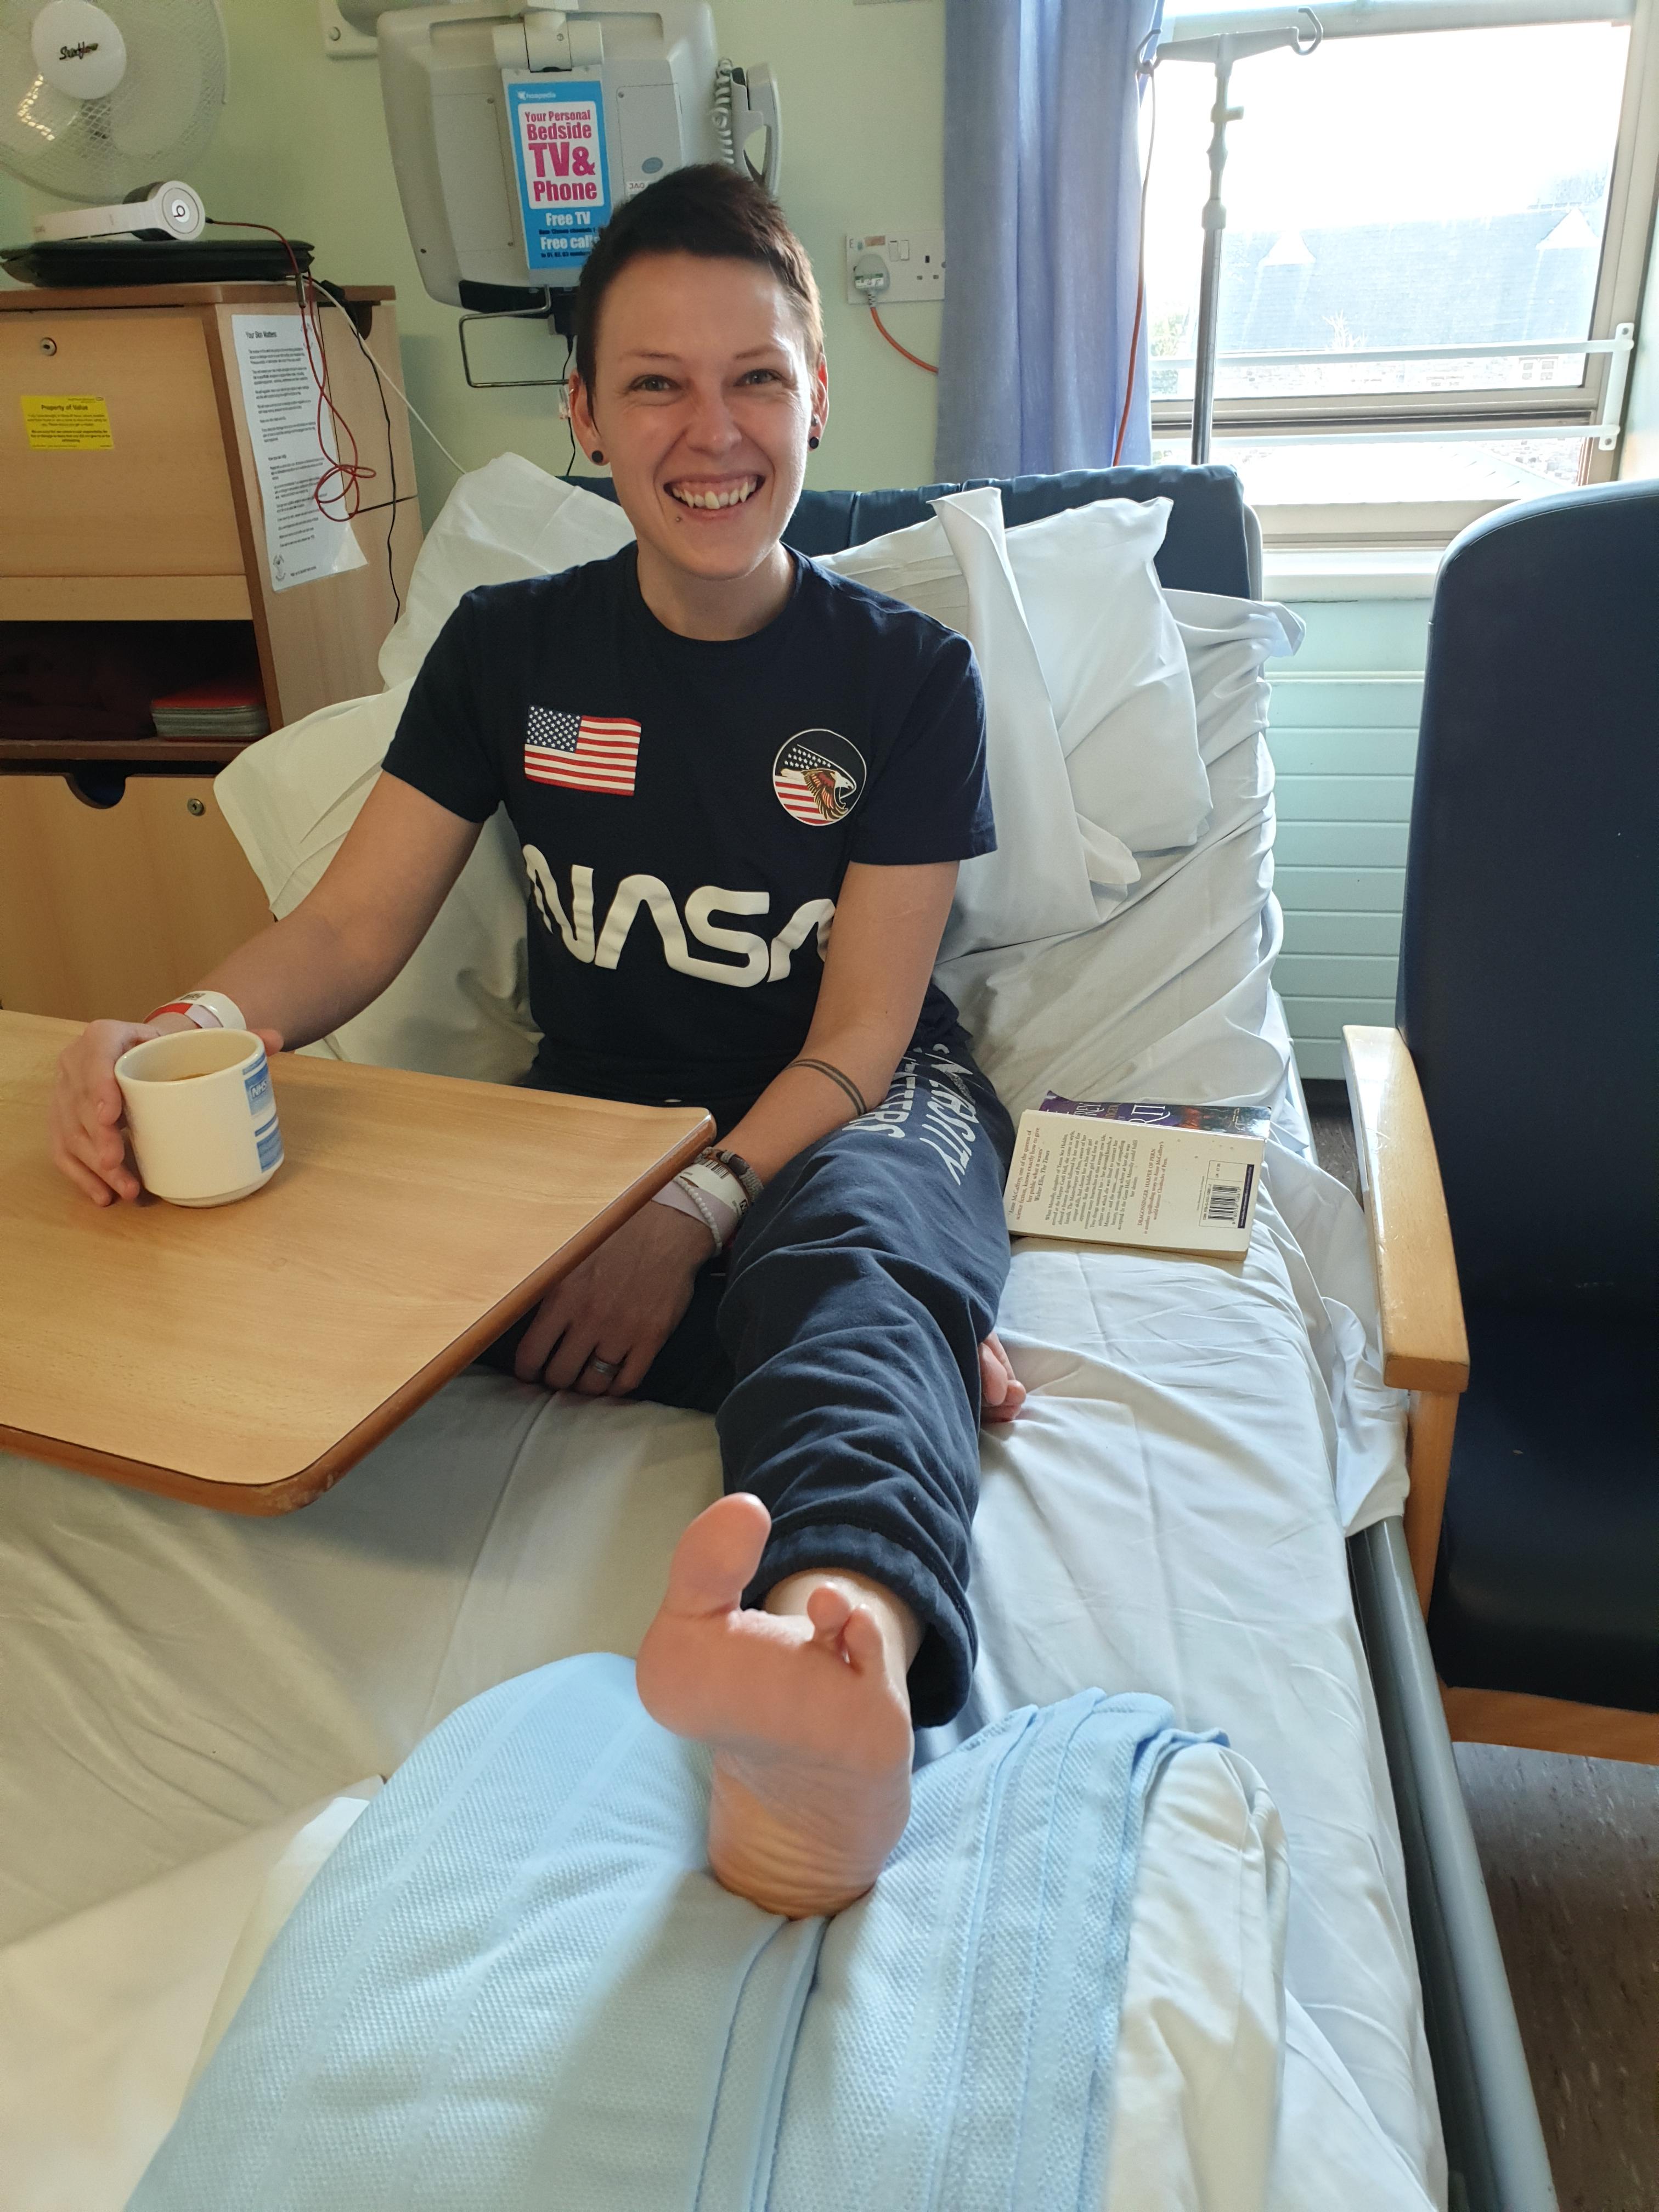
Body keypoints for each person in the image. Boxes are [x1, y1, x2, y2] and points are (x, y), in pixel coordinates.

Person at [49, 165, 1025, 1921]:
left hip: (850, 1101)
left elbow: (865, 1031)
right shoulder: (509, 653)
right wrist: (181, 1029)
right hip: (599, 1120)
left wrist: (695, 1218)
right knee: (356, 1249)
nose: (710, 431)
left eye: (755, 378)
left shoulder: (909, 680)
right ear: (583, 412)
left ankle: (830, 1672)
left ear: (818, 396)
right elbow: (347, 934)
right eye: (655, 383)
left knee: (853, 1256)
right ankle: (903, 1346)